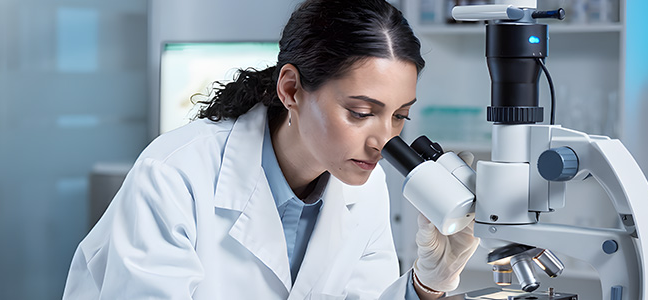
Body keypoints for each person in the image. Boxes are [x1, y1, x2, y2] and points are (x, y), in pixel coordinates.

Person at [63, 0, 479, 299]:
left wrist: (426, 285)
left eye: (399, 115)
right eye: (359, 112)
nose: (382, 140)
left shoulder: (363, 188)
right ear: (291, 89)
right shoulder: (174, 174)